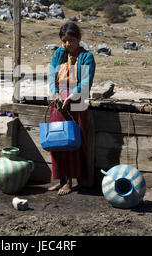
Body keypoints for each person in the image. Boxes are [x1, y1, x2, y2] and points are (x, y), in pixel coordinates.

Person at [47, 22, 96, 195]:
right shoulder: (59, 54)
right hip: (59, 104)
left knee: (72, 142)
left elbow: (86, 81)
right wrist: (55, 93)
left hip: (76, 104)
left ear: (79, 39)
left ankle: (70, 181)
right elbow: (51, 75)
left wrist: (71, 95)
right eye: (65, 40)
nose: (69, 44)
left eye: (72, 40)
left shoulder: (86, 57)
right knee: (56, 141)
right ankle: (60, 179)